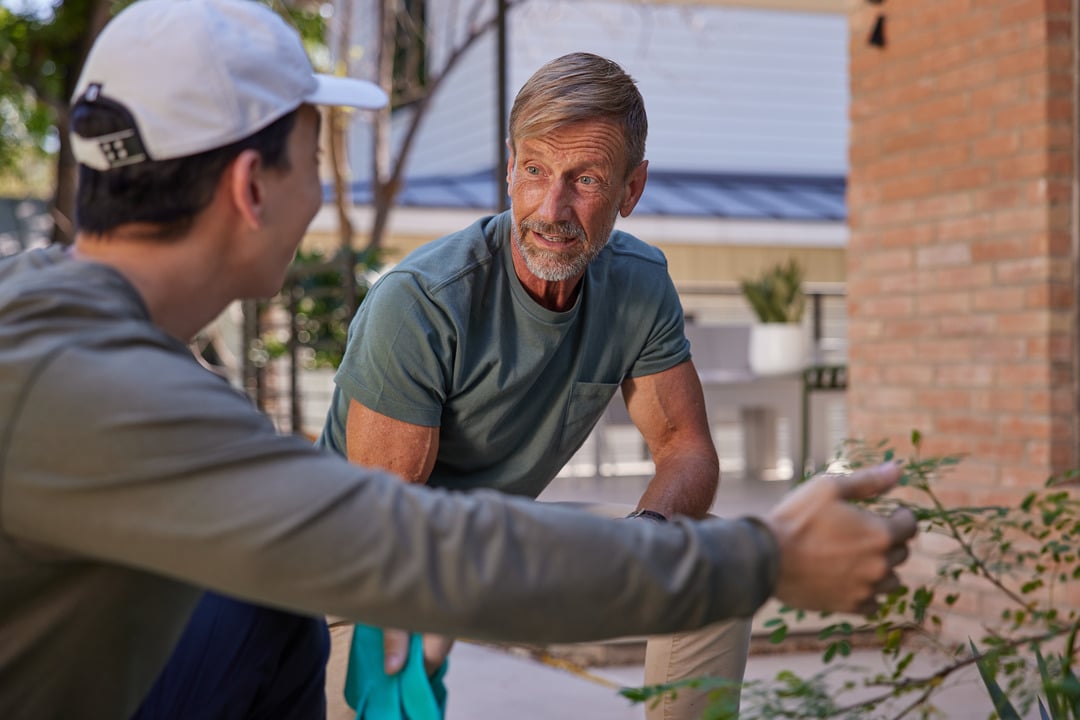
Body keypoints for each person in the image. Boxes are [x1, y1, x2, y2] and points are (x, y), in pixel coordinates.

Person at [0, 1, 917, 718]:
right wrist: (764, 556)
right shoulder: (110, 393)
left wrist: (690, 544)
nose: (322, 193)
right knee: (284, 614)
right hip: (375, 557)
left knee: (256, 618)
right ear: (253, 187)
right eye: (316, 158)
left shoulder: (72, 334)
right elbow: (396, 539)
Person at [313, 52, 865, 719]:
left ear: (631, 190)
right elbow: (388, 525)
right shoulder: (422, 302)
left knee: (713, 559)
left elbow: (687, 451)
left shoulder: (637, 283)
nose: (552, 207)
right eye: (536, 170)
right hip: (361, 568)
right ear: (510, 169)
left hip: (494, 541)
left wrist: (645, 541)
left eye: (585, 179)